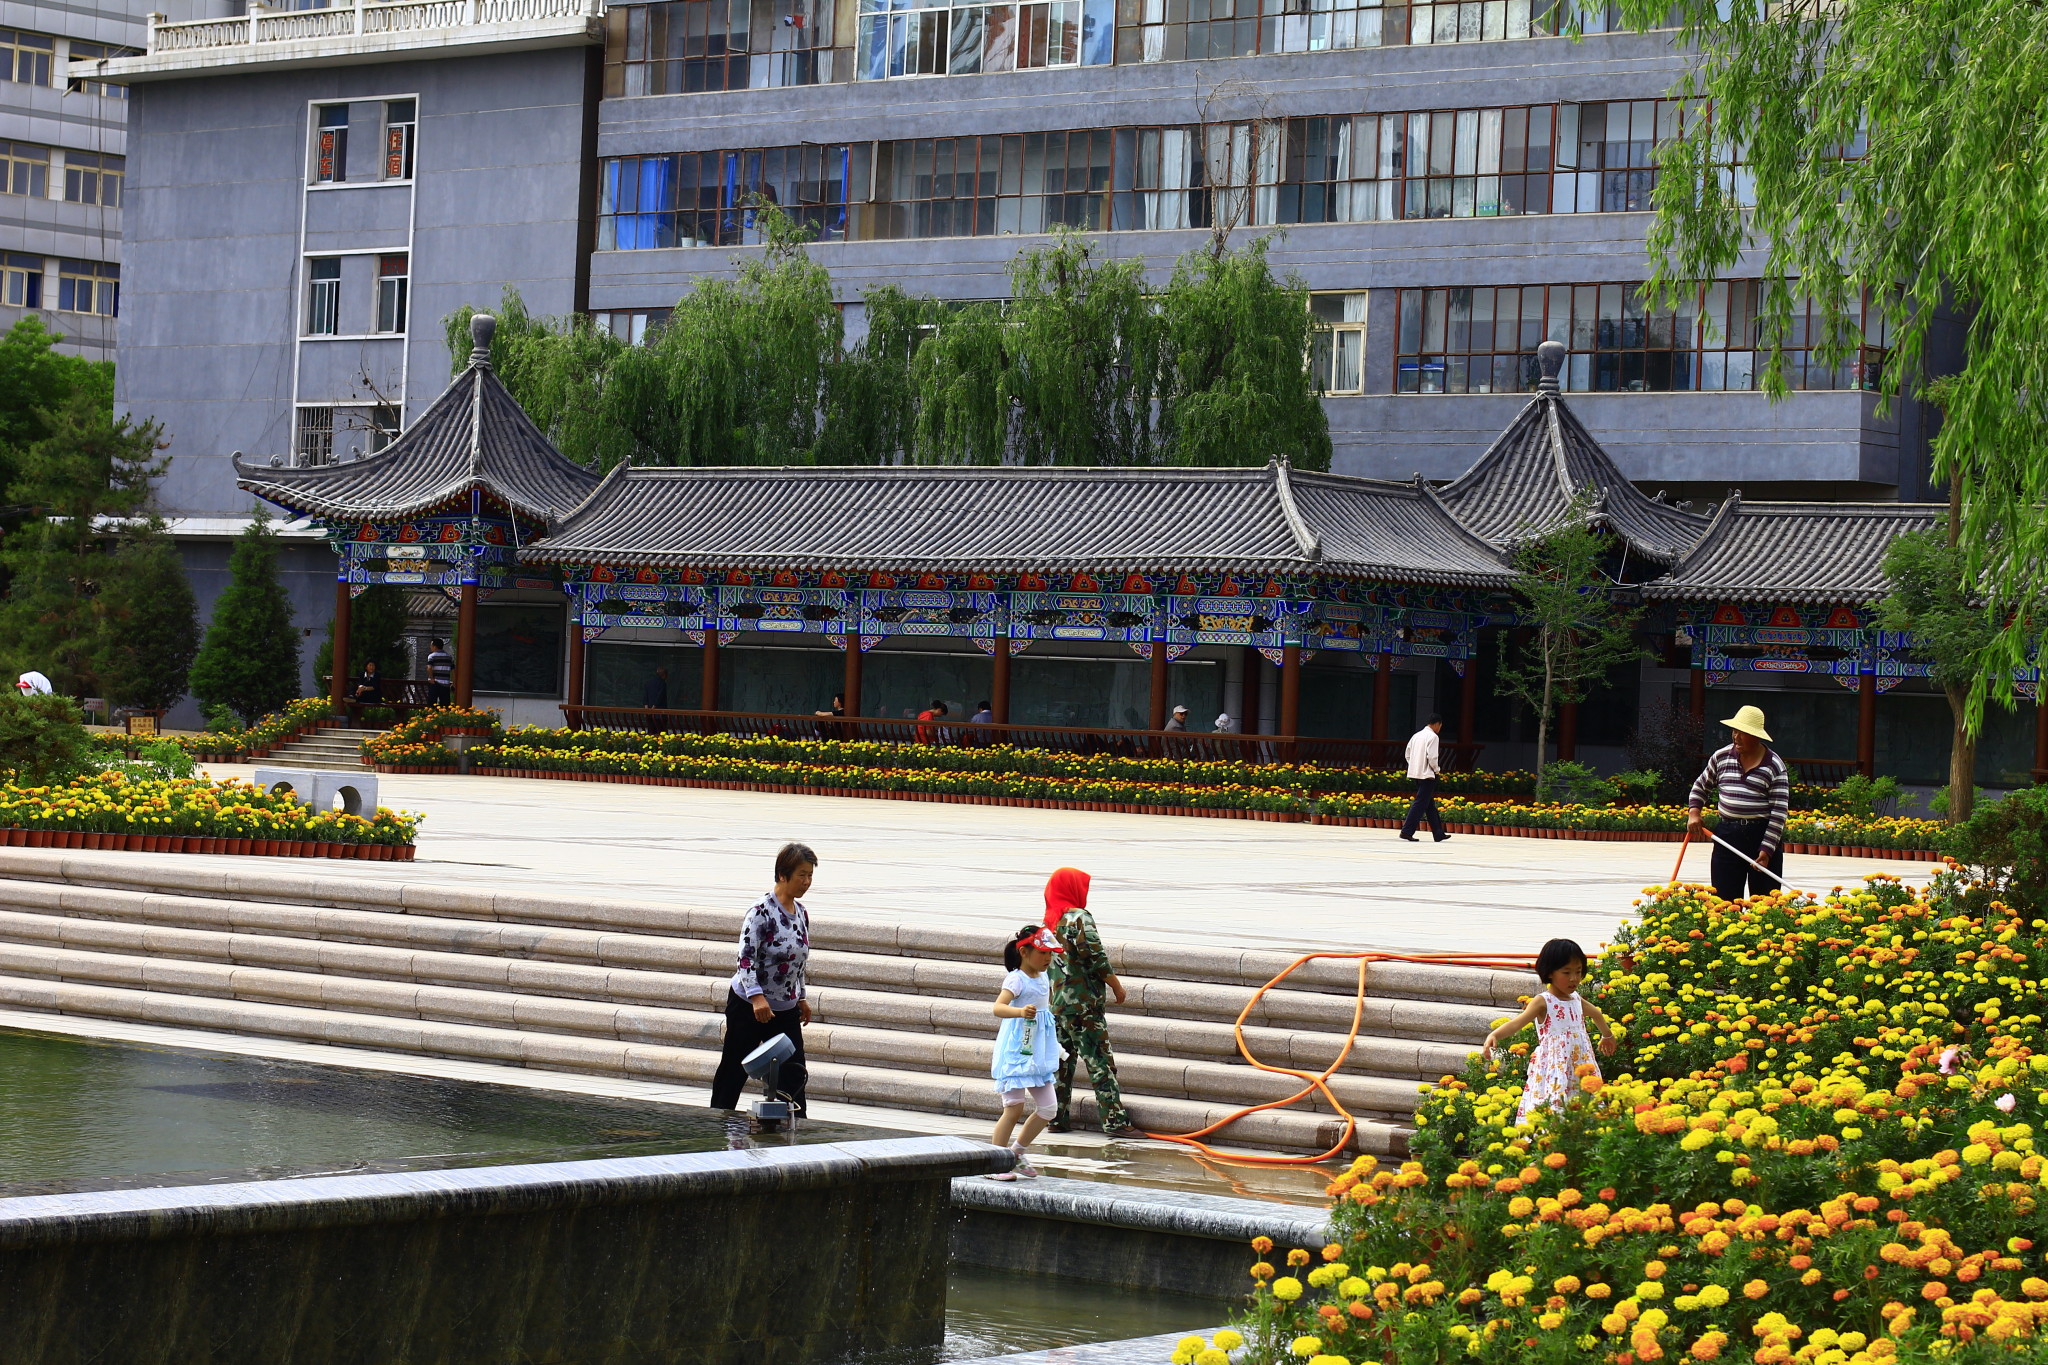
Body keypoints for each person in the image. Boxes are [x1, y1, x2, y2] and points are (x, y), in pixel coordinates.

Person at [710, 843, 816, 1118]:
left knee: (793, 1072)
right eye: (801, 875)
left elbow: (798, 961)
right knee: (734, 1068)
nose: (806, 882)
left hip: (785, 1009)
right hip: (749, 1006)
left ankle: (795, 1127)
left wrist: (801, 997)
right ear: (782, 875)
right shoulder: (760, 912)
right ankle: (716, 1123)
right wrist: (757, 997)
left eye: (810, 875)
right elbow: (745, 959)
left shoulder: (801, 912)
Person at [1043, 867, 1142, 1139]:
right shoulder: (1079, 917)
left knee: (1061, 1065)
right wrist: (1116, 985)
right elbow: (1096, 956)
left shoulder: (1050, 920)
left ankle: (1055, 1118)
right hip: (1084, 1005)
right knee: (1099, 1061)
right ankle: (1115, 1121)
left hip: (1058, 1004)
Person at [1482, 938, 1617, 1125]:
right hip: (1554, 1066)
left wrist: (1607, 1035)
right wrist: (1494, 1035)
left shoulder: (1576, 999)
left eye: (1578, 972)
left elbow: (1596, 1013)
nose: (1574, 978)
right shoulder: (1544, 1001)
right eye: (1566, 972)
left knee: (1585, 1101)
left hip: (1580, 1063)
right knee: (1554, 1102)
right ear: (1550, 972)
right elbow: (1518, 1023)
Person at [985, 924, 1065, 1181]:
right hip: (1016, 1051)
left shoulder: (1043, 977)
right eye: (1042, 953)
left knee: (1049, 1108)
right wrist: (1019, 1012)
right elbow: (998, 1007)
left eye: (1049, 953)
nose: (1047, 958)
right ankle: (995, 1164)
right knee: (1013, 1108)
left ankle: (1016, 1152)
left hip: (1038, 1053)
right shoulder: (1016, 979)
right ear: (1024, 952)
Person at [1686, 704, 1789, 901]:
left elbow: (1779, 813)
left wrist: (1767, 850)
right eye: (1735, 731)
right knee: (1724, 900)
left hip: (1761, 835)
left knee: (1764, 902)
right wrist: (1694, 813)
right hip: (1727, 835)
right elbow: (1700, 786)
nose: (1736, 737)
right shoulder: (1721, 757)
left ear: (1756, 736)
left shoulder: (1774, 765)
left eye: (1743, 733)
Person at [1399, 712, 1449, 843]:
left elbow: (1407, 754)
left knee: (1429, 804)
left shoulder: (1416, 735)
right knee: (1420, 803)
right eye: (1440, 726)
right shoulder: (1433, 737)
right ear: (1437, 724)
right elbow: (1432, 757)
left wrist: (1415, 765)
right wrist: (1436, 770)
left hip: (1416, 773)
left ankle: (1438, 833)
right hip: (1428, 775)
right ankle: (1406, 831)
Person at [425, 639, 453, 706]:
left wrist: (431, 678)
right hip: (446, 683)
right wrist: (453, 682)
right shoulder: (449, 657)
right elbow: (453, 670)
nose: (430, 647)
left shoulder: (432, 656)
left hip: (435, 682)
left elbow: (429, 668)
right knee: (445, 705)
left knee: (431, 704)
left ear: (435, 647)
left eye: (431, 645)